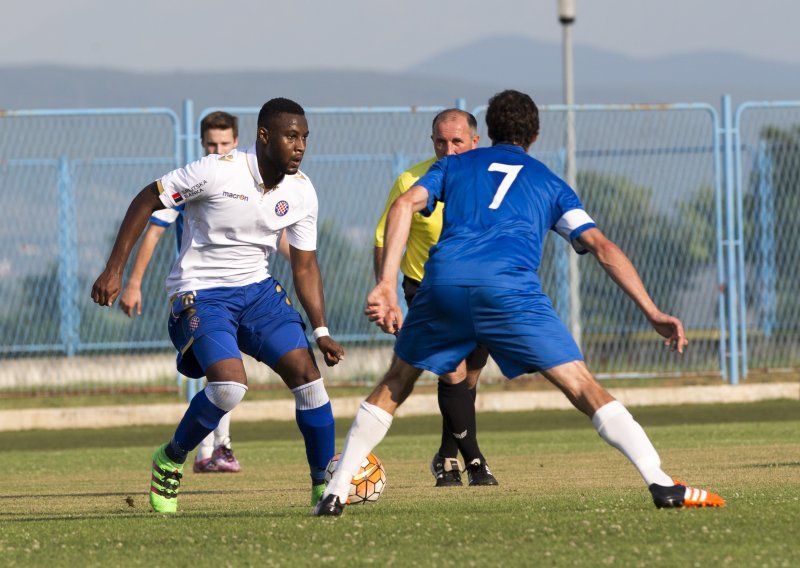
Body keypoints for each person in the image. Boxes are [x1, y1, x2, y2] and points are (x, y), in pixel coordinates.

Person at [314, 89, 725, 516]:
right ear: (535, 134)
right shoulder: (548, 182)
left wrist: (385, 283)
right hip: (510, 293)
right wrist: (652, 311)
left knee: (396, 381)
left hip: (445, 285)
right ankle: (660, 482)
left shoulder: (452, 166)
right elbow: (601, 246)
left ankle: (335, 493)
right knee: (582, 385)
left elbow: (403, 205)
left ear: (487, 132)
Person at [92, 97, 344, 513]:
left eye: (304, 138)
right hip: (201, 294)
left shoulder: (302, 191)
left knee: (309, 380)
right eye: (291, 136)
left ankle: (323, 488)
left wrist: (321, 331)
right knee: (229, 386)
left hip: (258, 292)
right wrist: (114, 270)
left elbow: (305, 265)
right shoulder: (215, 171)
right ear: (264, 136)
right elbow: (146, 200)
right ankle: (171, 459)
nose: (300, 146)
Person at [373, 109, 496, 487]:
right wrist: (386, 288)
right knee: (452, 370)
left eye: (457, 141)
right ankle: (475, 463)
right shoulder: (413, 182)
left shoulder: (492, 181)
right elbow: (383, 239)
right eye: (441, 141)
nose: (449, 148)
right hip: (425, 289)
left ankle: (445, 455)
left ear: (475, 142)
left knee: (468, 380)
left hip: (479, 291)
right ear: (432, 142)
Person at [119, 111, 245, 474]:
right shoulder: (191, 182)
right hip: (199, 293)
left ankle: (215, 449)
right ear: (202, 144)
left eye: (224, 143)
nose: (218, 149)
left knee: (225, 372)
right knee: (220, 368)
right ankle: (210, 449)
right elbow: (154, 231)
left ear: (236, 142)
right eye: (211, 144)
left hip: (237, 288)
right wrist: (133, 282)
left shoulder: (247, 183)